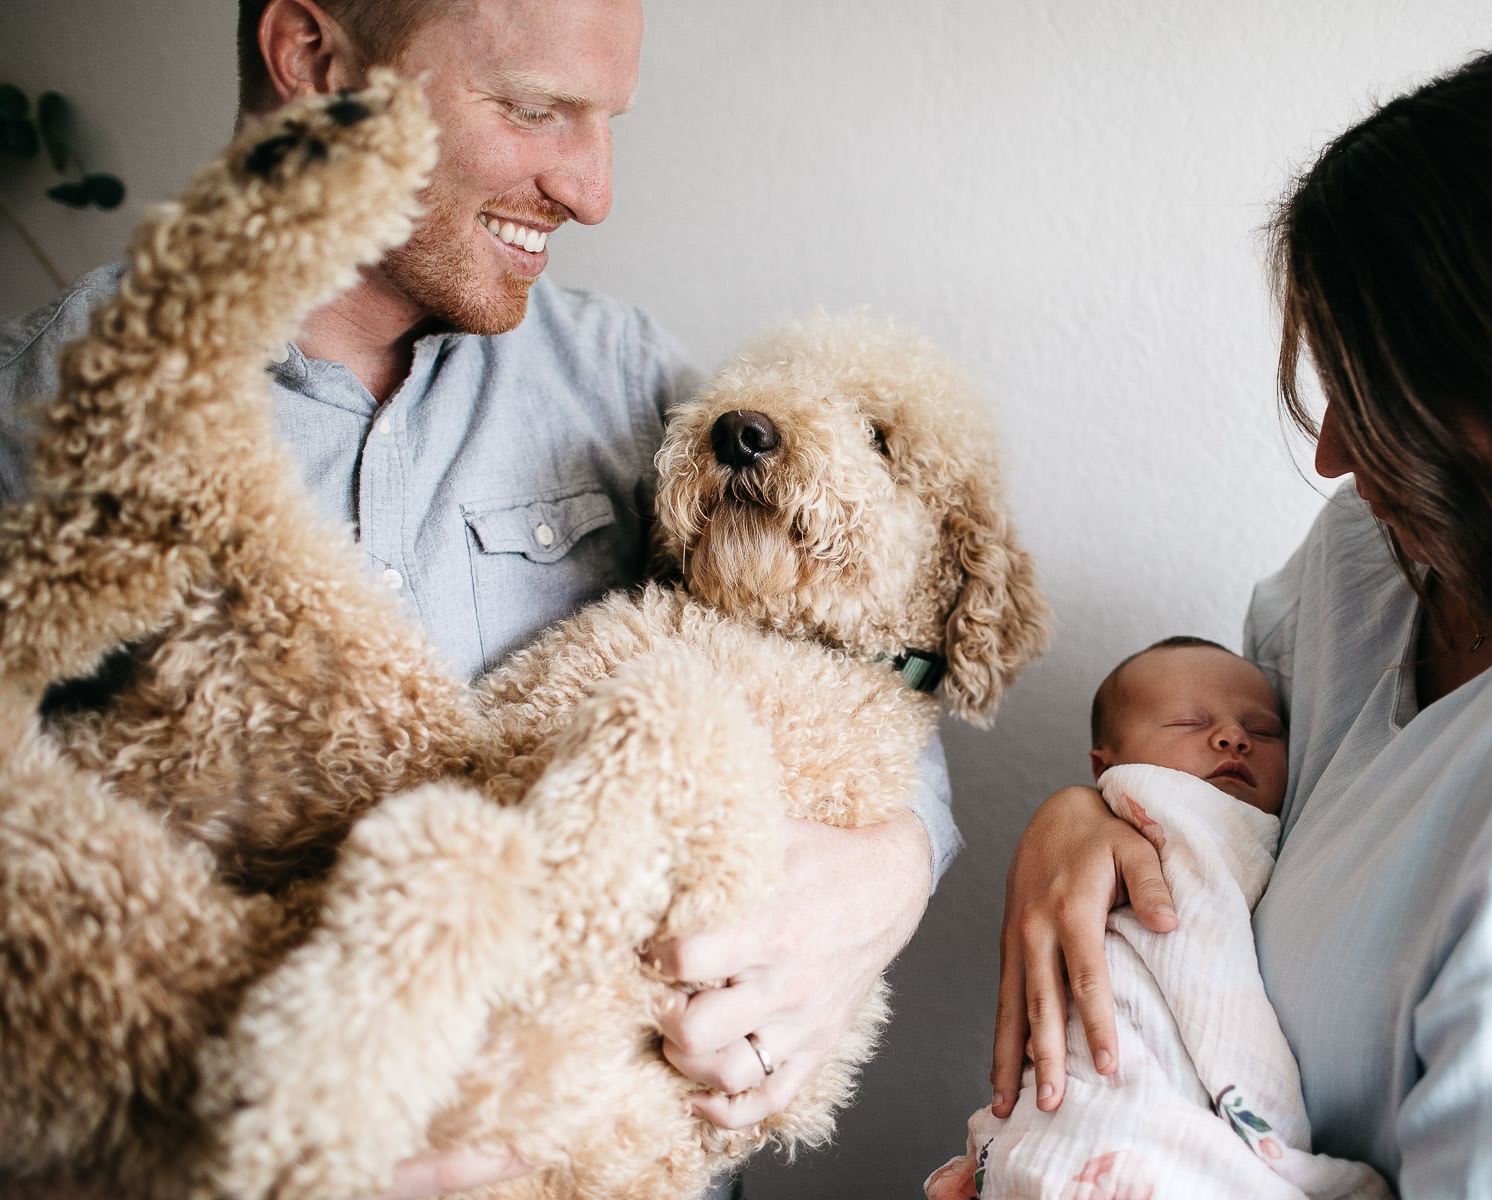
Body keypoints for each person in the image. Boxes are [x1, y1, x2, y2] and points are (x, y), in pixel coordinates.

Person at [0, 1, 957, 1196]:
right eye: (537, 109)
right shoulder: (45, 412)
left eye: (606, 122)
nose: (592, 192)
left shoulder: (630, 383)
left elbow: (861, 653)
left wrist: (890, 872)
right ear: (313, 61)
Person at [991, 41, 1492, 1197]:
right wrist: (1082, 817)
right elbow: (1229, 806)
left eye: (1369, 394)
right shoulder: (1363, 565)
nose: (1329, 452)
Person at [927, 638, 1387, 1199]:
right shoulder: (1159, 815)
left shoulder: (1290, 846)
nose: (1233, 737)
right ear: (1107, 766)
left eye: (1264, 731)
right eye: (1189, 722)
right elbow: (1212, 980)